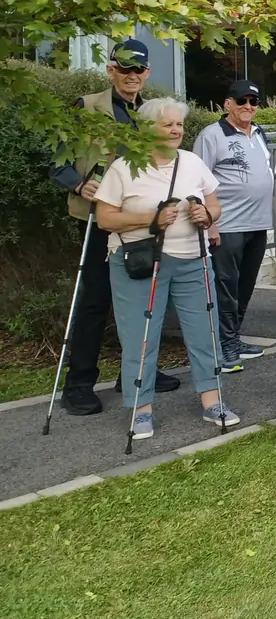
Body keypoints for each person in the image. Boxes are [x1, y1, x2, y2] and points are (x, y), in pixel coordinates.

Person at [93, 98, 240, 439]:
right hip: (140, 263)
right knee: (140, 337)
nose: (176, 130)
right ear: (147, 128)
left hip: (194, 260)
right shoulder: (124, 167)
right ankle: (140, 410)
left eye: (179, 125)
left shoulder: (191, 162)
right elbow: (105, 218)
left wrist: (207, 214)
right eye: (167, 125)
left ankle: (212, 400)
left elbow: (213, 203)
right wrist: (152, 219)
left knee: (205, 331)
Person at [49, 39, 181, 413]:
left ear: (147, 73)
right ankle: (79, 383)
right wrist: (78, 183)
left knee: (141, 301)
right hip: (98, 220)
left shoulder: (152, 113)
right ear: (111, 71)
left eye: (138, 69)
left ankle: (134, 375)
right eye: (124, 69)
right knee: (94, 300)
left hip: (141, 220)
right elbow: (55, 160)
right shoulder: (86, 107)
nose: (132, 76)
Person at [192, 79, 275, 374]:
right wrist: (209, 224)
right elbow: (196, 181)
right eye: (242, 101)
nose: (248, 107)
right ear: (227, 103)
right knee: (225, 287)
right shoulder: (211, 135)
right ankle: (224, 345)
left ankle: (234, 337)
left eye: (253, 102)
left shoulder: (259, 133)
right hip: (226, 225)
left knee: (245, 284)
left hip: (258, 223)